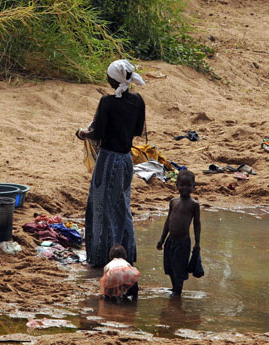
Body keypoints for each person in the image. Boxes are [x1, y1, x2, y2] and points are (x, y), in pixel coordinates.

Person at [76, 59, 145, 267]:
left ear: (112, 80)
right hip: (126, 161)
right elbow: (136, 130)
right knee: (121, 206)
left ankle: (100, 257)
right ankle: (126, 253)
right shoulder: (138, 101)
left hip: (108, 161)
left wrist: (82, 134)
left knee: (100, 208)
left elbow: (97, 134)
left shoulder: (107, 102)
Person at [157, 170, 201, 297]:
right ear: (176, 186)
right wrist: (162, 239)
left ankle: (178, 292)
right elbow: (168, 221)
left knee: (180, 269)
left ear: (194, 187)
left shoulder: (194, 205)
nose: (185, 188)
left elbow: (197, 224)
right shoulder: (173, 202)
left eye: (188, 185)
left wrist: (197, 243)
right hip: (170, 240)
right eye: (182, 185)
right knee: (169, 267)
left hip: (183, 242)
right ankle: (174, 288)